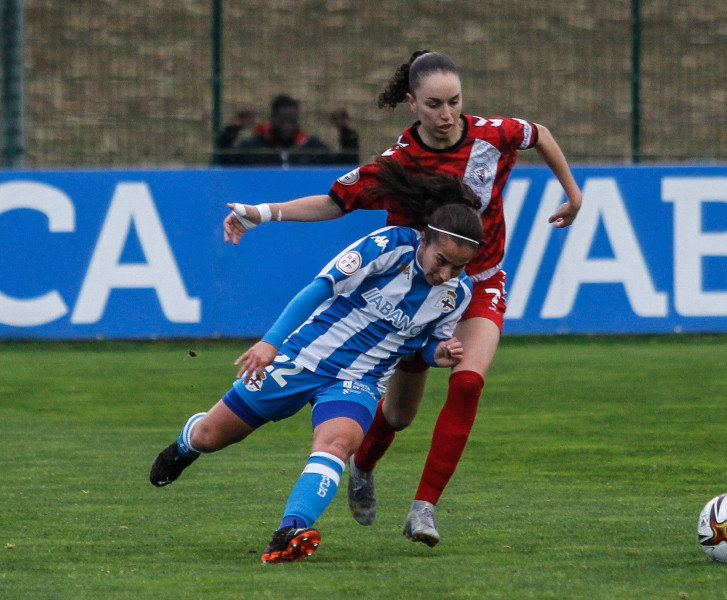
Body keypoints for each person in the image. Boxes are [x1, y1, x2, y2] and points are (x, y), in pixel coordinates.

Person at [221, 50, 582, 546]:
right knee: (399, 415)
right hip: (416, 297)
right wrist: (260, 212)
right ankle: (364, 465)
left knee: (468, 382)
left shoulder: (492, 135)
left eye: (455, 101)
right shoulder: (399, 163)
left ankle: (424, 509)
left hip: (481, 282)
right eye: (435, 103)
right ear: (412, 103)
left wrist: (573, 193)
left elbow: (538, 133)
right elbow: (334, 202)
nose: (448, 113)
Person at [150, 173, 484, 564]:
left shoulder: (456, 295)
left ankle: (290, 530)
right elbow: (320, 288)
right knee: (211, 436)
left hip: (359, 381)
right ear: (425, 239)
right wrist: (270, 342)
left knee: (336, 445)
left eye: (458, 267)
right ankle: (186, 444)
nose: (445, 274)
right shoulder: (388, 246)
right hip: (301, 359)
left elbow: (422, 344)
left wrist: (436, 354)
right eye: (441, 261)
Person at [215, 94, 359, 167]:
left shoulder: (312, 148)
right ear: (272, 119)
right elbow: (223, 162)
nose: (288, 125)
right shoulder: (253, 147)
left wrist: (346, 132)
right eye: (283, 120)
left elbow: (345, 168)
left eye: (292, 121)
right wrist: (233, 129)